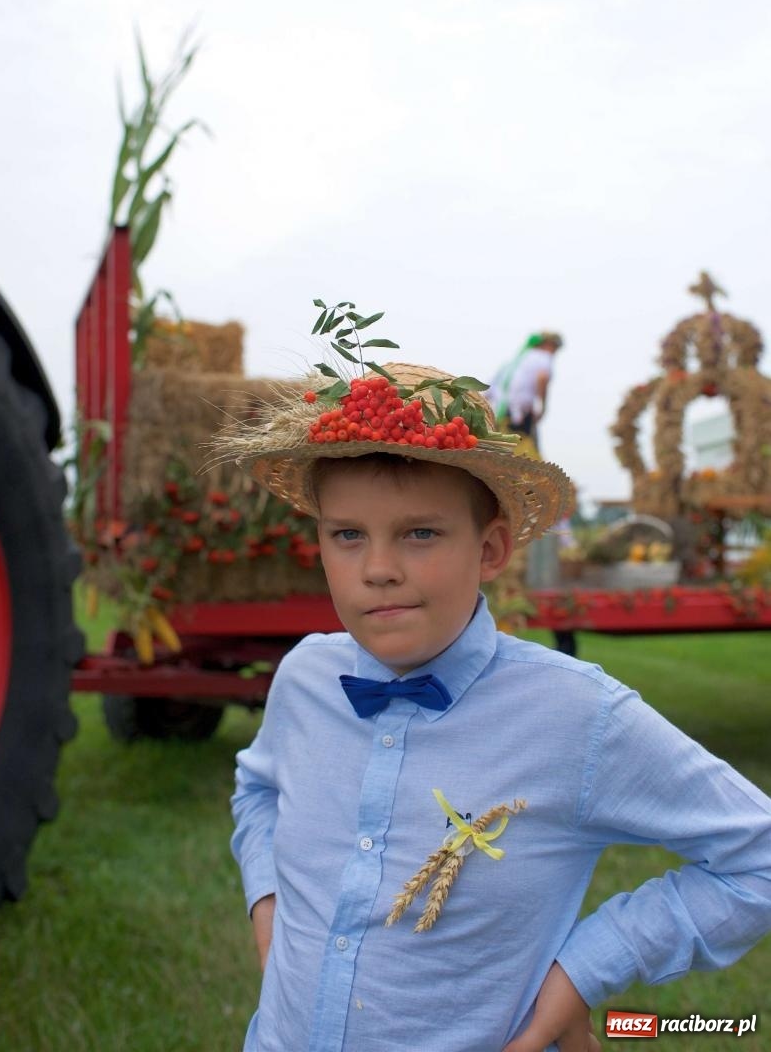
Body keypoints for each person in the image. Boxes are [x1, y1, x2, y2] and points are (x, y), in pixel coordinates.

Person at [225, 355, 771, 1052]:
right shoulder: (304, 678)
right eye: (348, 534)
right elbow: (260, 788)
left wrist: (579, 974)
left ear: (490, 550)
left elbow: (757, 854)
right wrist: (270, 907)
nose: (378, 568)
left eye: (420, 533)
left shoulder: (577, 717)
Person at [487, 332, 563, 451]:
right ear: (548, 344)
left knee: (499, 450)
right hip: (520, 415)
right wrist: (543, 407)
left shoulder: (513, 362)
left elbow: (488, 393)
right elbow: (542, 378)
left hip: (500, 415)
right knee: (526, 453)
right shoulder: (543, 357)